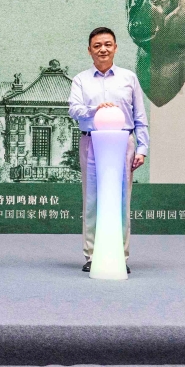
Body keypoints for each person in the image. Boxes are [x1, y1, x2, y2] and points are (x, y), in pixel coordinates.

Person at [67, 27, 149, 273]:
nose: (102, 49)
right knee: (92, 199)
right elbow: (74, 109)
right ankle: (92, 255)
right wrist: (96, 110)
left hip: (123, 143)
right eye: (97, 45)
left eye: (107, 44)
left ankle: (121, 256)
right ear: (89, 50)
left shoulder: (129, 78)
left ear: (115, 47)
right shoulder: (81, 79)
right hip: (91, 142)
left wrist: (142, 148)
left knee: (121, 199)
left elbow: (140, 116)